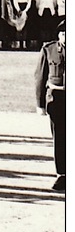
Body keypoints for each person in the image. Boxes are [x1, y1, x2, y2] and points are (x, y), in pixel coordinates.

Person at [35, 21, 65, 192]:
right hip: (57, 98)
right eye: (63, 33)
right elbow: (40, 77)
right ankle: (62, 174)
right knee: (60, 137)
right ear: (58, 34)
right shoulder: (49, 49)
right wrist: (40, 104)